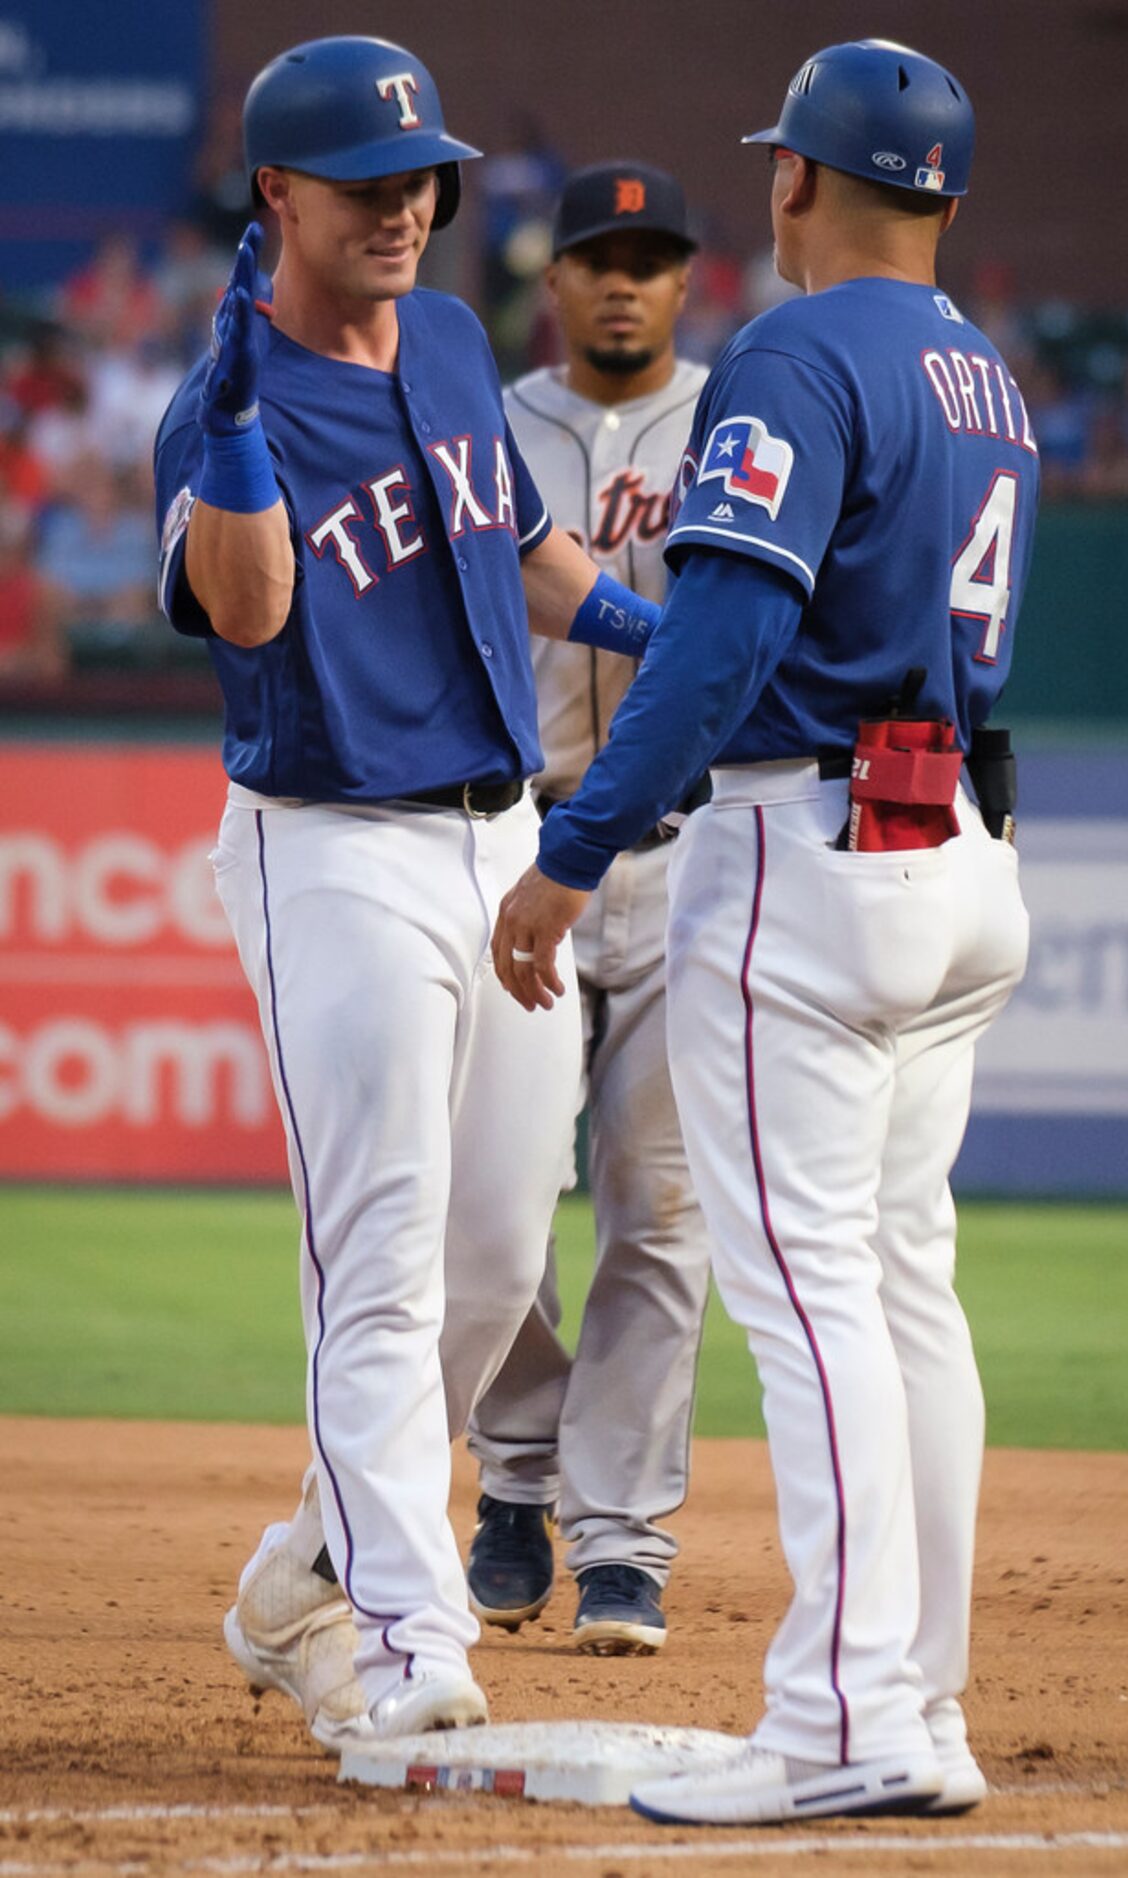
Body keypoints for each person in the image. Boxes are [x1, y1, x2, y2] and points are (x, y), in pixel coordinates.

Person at [493, 38, 1038, 1825]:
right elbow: (811, 637)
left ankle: (842, 1723)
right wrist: (642, 628)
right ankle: (922, 1704)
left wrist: (573, 846)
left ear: (797, 178)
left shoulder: (794, 348)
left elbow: (740, 654)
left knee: (810, 1304)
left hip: (801, 858)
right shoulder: (984, 376)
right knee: (899, 1290)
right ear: (942, 199)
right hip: (952, 837)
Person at [152, 35, 664, 1750]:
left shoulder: (449, 339)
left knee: (500, 1251)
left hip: (500, 834)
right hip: (333, 841)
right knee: (374, 1253)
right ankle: (399, 1628)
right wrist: (228, 426)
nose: (402, 207)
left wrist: (655, 635)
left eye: (420, 180)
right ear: (275, 195)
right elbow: (241, 612)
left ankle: (314, 1550)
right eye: (364, 185)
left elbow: (519, 546)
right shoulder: (220, 396)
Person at [464, 162, 711, 1655]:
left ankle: (619, 1540)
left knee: (659, 1215)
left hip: (689, 855)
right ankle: (513, 1476)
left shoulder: (743, 425)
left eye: (650, 258)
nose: (621, 282)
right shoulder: (485, 425)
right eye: (595, 257)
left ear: (688, 281)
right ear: (549, 278)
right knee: (498, 1205)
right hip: (522, 833)